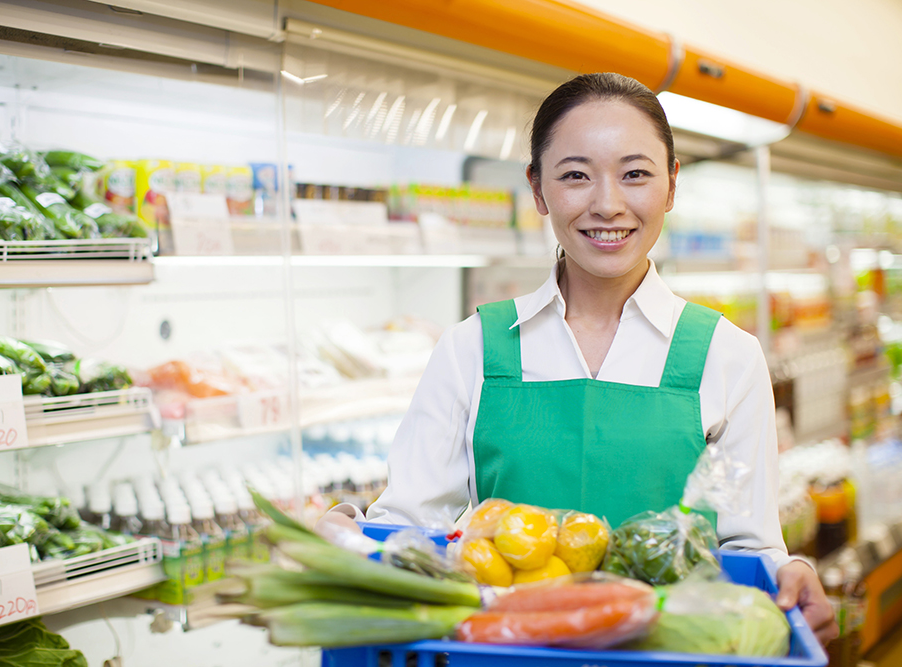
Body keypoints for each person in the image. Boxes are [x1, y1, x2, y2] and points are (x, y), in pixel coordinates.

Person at [319, 72, 836, 644]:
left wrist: (794, 571)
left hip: (670, 654)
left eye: (635, 174)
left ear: (670, 186)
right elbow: (413, 527)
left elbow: (748, 548)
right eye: (575, 176)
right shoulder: (472, 347)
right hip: (505, 655)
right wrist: (347, 529)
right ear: (538, 190)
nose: (608, 205)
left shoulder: (728, 356)